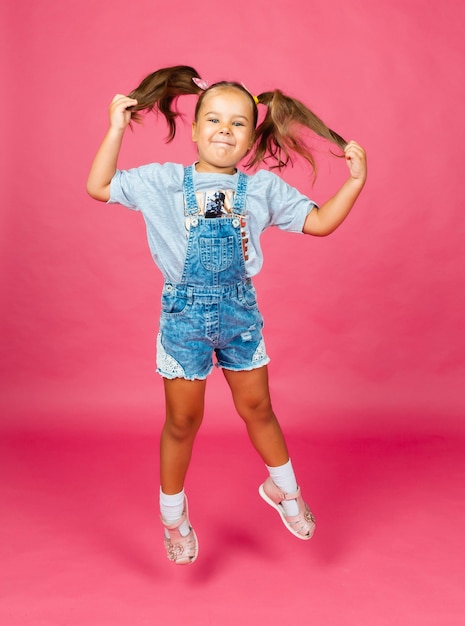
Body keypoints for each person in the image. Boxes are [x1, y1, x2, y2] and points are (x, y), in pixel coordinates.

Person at [87, 65, 367, 565]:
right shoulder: (163, 182)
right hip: (184, 316)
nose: (224, 129)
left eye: (238, 123)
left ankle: (283, 489)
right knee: (183, 421)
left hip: (240, 314)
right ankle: (173, 515)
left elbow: (320, 222)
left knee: (258, 407)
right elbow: (100, 185)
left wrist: (355, 181)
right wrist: (114, 127)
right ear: (194, 130)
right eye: (212, 119)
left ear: (252, 137)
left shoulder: (262, 191)